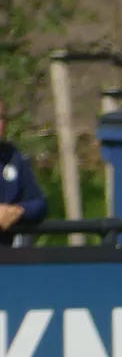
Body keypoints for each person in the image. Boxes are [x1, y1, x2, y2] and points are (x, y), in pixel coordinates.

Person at [0, 98, 47, 246]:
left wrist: (19, 210)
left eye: (2, 117)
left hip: (9, 259)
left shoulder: (12, 157)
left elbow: (39, 203)